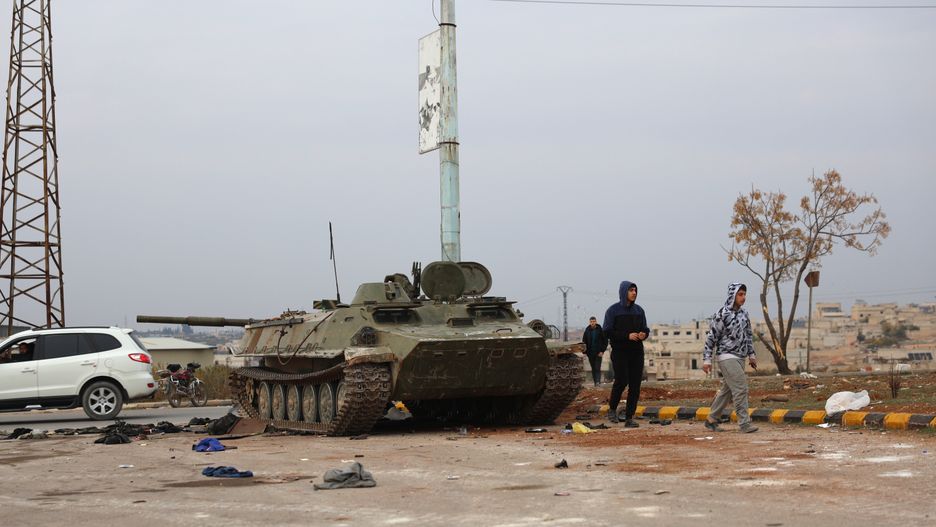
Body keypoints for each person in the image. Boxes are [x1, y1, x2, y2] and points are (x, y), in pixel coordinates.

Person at [702, 283, 759, 433]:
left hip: (740, 357)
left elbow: (748, 336)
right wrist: (707, 359)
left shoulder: (744, 314)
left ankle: (712, 419)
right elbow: (711, 338)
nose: (743, 298)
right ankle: (744, 423)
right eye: (740, 294)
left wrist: (751, 355)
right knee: (741, 388)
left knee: (727, 390)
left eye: (744, 294)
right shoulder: (722, 314)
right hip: (726, 356)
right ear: (732, 295)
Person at [602, 281, 649, 427]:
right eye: (631, 290)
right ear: (624, 292)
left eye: (635, 290)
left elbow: (645, 329)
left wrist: (643, 334)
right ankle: (612, 409)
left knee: (635, 385)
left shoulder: (639, 311)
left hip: (636, 352)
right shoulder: (613, 311)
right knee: (621, 381)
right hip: (620, 351)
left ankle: (629, 417)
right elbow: (607, 331)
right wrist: (627, 336)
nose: (634, 293)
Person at [581, 316, 608, 387]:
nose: (592, 323)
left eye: (594, 321)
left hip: (598, 352)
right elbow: (584, 342)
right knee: (593, 368)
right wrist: (584, 352)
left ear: (596, 322)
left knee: (597, 367)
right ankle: (595, 382)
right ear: (589, 322)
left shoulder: (600, 330)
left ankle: (598, 382)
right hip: (590, 353)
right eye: (591, 322)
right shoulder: (587, 331)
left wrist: (602, 351)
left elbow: (605, 341)